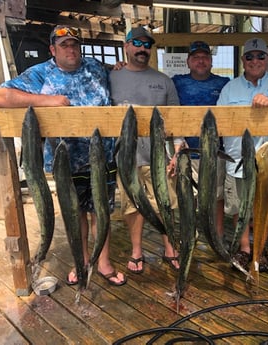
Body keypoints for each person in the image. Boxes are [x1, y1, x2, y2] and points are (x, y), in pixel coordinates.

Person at [0, 25, 127, 286]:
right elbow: (1, 97)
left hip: (103, 157)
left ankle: (104, 263)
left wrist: (118, 66)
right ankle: (82, 260)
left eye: (74, 44)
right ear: (53, 49)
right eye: (64, 45)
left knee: (101, 212)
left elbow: (115, 72)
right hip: (67, 161)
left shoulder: (96, 66)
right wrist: (47, 100)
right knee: (74, 212)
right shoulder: (41, 73)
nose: (71, 49)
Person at [109, 26, 182, 273]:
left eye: (147, 45)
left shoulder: (164, 81)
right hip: (127, 156)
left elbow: (176, 119)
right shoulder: (111, 76)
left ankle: (170, 246)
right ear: (126, 46)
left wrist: (177, 150)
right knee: (132, 206)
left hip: (160, 155)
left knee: (167, 203)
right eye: (137, 44)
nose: (142, 49)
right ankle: (137, 250)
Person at [217, 37, 268, 272]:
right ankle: (245, 249)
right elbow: (219, 119)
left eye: (260, 56)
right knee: (239, 209)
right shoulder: (230, 88)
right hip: (237, 161)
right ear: (243, 60)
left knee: (265, 209)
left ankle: (260, 248)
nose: (255, 60)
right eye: (250, 56)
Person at [172, 41, 230, 239]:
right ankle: (190, 235)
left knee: (217, 197)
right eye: (196, 57)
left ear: (211, 61)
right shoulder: (176, 82)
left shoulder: (224, 83)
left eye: (205, 57)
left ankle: (217, 236)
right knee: (188, 196)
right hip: (187, 151)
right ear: (188, 61)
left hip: (216, 152)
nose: (200, 61)